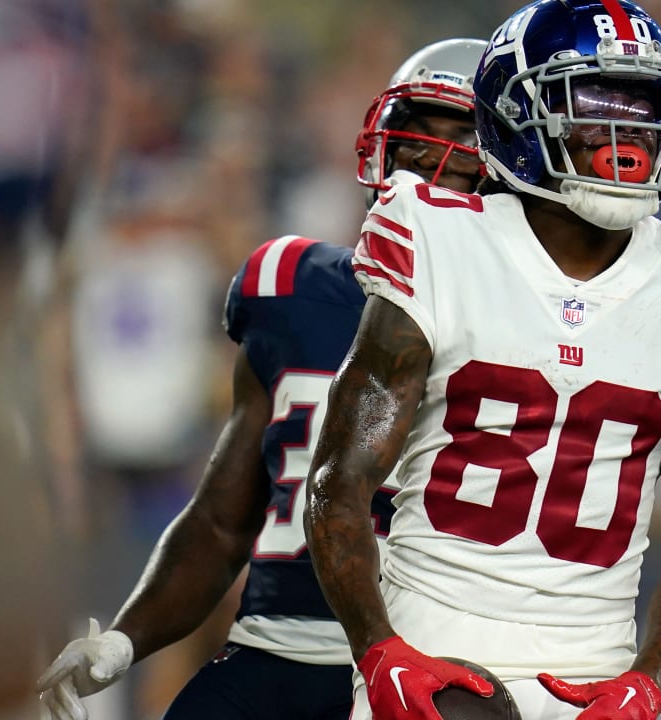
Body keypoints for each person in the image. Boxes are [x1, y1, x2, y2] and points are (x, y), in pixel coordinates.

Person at [305, 1, 661, 719]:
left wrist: (651, 684)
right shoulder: (434, 234)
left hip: (595, 676)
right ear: (517, 111)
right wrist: (380, 650)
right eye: (597, 100)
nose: (630, 130)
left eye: (644, 104)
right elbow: (341, 477)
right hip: (436, 655)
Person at [34, 38, 488, 720]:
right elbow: (222, 519)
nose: (432, 163)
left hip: (438, 668)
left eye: (464, 147)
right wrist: (125, 642)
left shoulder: (547, 324)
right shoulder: (291, 285)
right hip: (276, 650)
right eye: (420, 137)